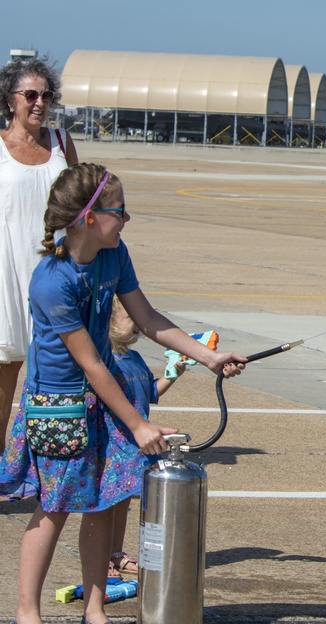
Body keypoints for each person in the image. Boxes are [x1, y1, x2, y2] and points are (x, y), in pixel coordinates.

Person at [0, 163, 245, 624]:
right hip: (60, 405)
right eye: (120, 210)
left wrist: (207, 356)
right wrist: (138, 424)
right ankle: (26, 612)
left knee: (102, 504)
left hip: (102, 395)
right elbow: (89, 363)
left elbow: (148, 319)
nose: (127, 218)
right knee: (54, 508)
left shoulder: (115, 254)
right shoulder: (52, 280)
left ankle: (95, 610)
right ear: (90, 218)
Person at [1, 57, 79, 453]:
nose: (39, 103)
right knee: (4, 377)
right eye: (30, 94)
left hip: (54, 276)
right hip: (5, 274)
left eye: (46, 95)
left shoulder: (63, 143)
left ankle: (45, 469)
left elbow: (82, 205)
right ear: (10, 99)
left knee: (54, 381)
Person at [105, 296, 189, 578]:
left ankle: (115, 553)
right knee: (107, 502)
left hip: (137, 444)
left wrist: (172, 374)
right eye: (131, 319)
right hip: (114, 441)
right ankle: (102, 556)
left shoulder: (134, 358)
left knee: (124, 502)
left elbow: (151, 392)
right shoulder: (104, 359)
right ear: (110, 321)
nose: (139, 325)